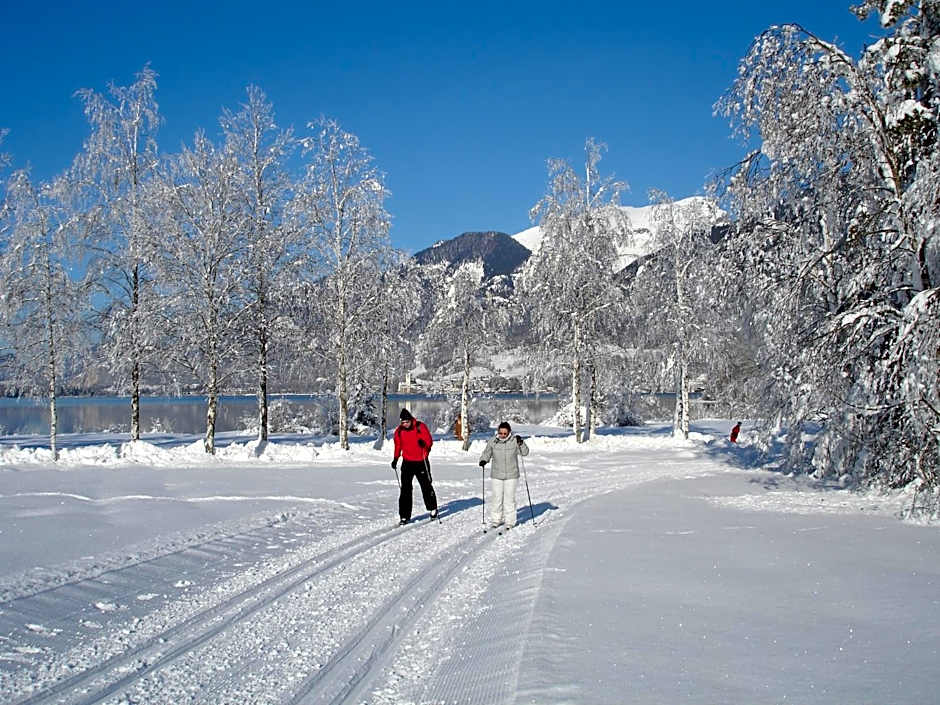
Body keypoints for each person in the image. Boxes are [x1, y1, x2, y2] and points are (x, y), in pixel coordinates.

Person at [478, 421, 529, 530]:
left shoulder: (514, 441)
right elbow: (487, 453)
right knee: (497, 498)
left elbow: (525, 452)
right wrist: (483, 460)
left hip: (512, 475)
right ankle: (496, 520)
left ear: (509, 432)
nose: (502, 435)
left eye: (505, 433)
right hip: (497, 474)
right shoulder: (493, 441)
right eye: (500, 433)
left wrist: (521, 443)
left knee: (509, 499)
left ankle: (510, 521)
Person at [392, 408, 438, 525]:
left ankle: (432, 508)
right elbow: (398, 446)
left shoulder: (420, 427)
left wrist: (424, 444)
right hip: (407, 463)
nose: (405, 424)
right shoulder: (399, 431)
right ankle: (404, 516)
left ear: (411, 420)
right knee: (405, 490)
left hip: (421, 461)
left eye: (407, 422)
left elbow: (429, 442)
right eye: (403, 422)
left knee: (426, 486)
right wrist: (396, 459)